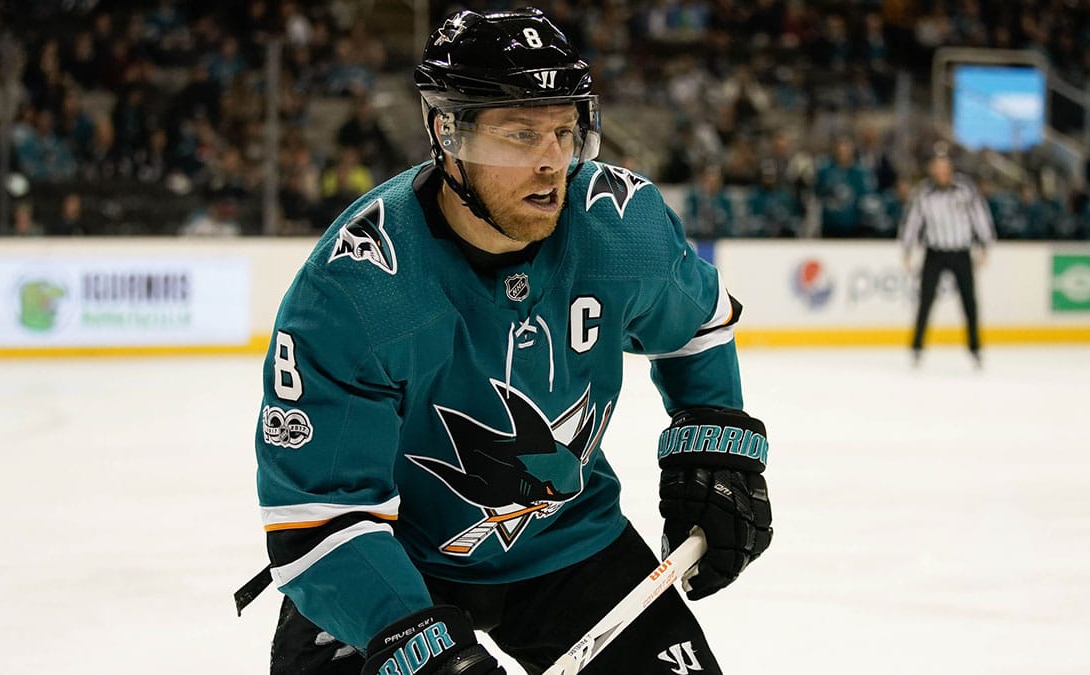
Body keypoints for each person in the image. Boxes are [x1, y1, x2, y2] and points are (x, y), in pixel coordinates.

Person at [244, 9, 773, 675]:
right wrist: (421, 647)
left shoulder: (618, 224)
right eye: (521, 134)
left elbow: (698, 320)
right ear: (447, 132)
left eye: (563, 130)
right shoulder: (357, 288)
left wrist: (713, 435)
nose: (552, 162)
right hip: (391, 564)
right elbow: (320, 519)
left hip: (567, 538)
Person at [899, 151, 995, 367]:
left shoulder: (965, 190)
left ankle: (975, 348)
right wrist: (907, 250)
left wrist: (985, 245)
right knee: (925, 300)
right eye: (938, 168)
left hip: (961, 251)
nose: (942, 172)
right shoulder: (924, 193)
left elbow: (979, 216)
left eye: (945, 168)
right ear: (932, 170)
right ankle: (916, 347)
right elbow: (912, 222)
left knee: (969, 302)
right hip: (935, 252)